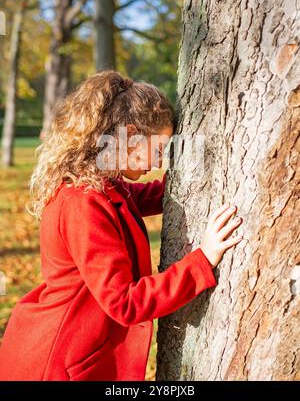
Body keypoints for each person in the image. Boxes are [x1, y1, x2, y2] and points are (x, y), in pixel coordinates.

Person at [0, 70, 243, 381]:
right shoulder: (82, 202)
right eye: (157, 150)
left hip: (73, 349)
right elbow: (125, 302)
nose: (157, 163)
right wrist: (203, 259)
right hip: (58, 362)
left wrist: (199, 177)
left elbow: (149, 196)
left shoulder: (103, 184)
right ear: (130, 136)